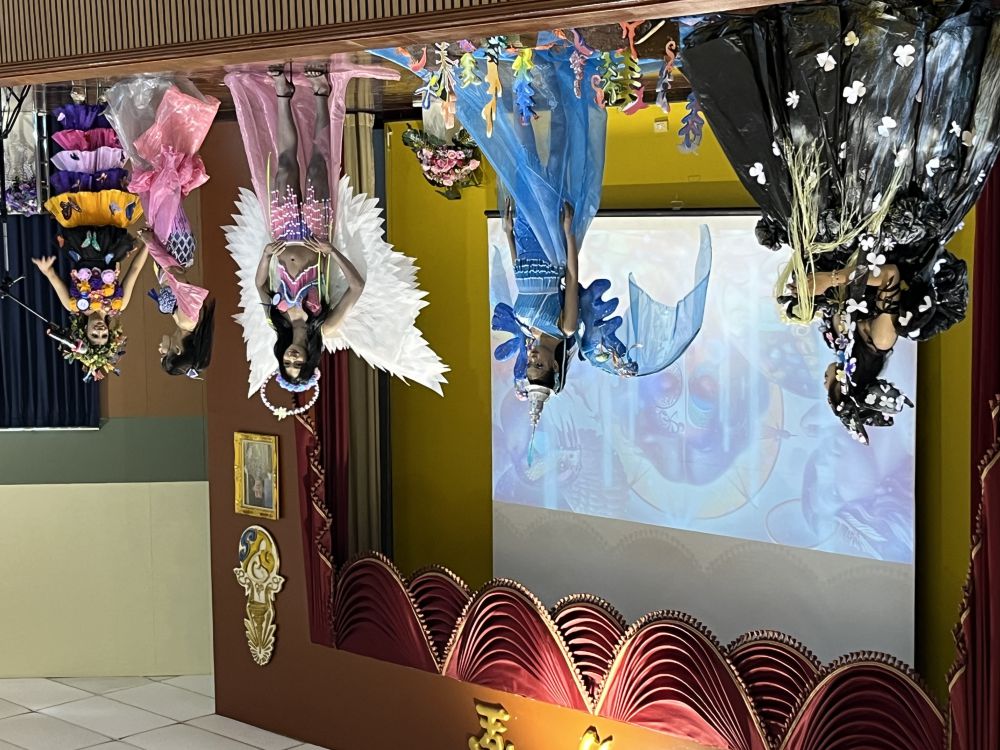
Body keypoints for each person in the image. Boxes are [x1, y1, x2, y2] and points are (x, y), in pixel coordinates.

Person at [225, 57, 448, 418]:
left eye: (287, 364)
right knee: (318, 165)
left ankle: (282, 93)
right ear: (309, 360)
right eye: (298, 364)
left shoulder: (276, 322)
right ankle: (320, 94)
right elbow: (357, 287)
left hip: (283, 235)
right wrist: (331, 251)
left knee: (284, 165)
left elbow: (259, 286)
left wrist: (266, 256)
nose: (292, 359)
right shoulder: (325, 325)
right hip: (316, 236)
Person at [104, 75, 221, 379]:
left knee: (152, 176)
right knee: (161, 178)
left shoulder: (182, 320)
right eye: (164, 353)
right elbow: (177, 274)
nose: (159, 348)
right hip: (174, 244)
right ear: (177, 350)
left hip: (169, 244)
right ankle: (163, 101)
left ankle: (149, 101)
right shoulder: (188, 320)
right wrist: (152, 244)